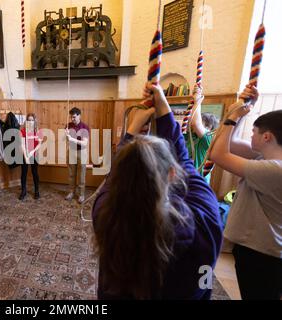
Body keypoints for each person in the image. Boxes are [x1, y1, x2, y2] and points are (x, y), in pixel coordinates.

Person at [92, 84, 222, 299]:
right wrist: (163, 107)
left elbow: (113, 175)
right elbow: (186, 162)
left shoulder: (105, 215)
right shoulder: (204, 219)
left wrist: (132, 129)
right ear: (172, 173)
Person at [209, 84, 282, 300]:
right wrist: (243, 108)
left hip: (262, 254)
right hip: (256, 249)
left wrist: (232, 117)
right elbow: (226, 145)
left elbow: (219, 155)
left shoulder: (274, 169)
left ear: (266, 137)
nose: (251, 135)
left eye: (254, 132)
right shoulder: (264, 159)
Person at [184, 85, 219, 183]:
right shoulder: (192, 136)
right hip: (186, 179)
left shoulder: (209, 138)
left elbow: (195, 123)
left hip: (198, 181)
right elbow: (192, 122)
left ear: (208, 128)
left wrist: (197, 101)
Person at [65, 107, 90, 204]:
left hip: (81, 152)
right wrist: (66, 135)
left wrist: (72, 139)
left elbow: (84, 143)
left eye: (74, 117)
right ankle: (71, 192)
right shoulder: (68, 125)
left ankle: (81, 194)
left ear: (79, 115)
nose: (72, 119)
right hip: (71, 151)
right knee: (71, 174)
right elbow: (68, 140)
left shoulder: (84, 127)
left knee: (81, 174)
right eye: (71, 117)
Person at [19, 113, 42, 200]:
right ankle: (23, 191)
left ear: (34, 121)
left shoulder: (38, 131)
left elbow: (39, 144)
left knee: (35, 173)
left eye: (32, 120)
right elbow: (22, 145)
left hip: (34, 154)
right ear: (26, 121)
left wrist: (32, 152)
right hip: (25, 154)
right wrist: (26, 157)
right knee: (23, 173)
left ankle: (37, 191)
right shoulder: (22, 131)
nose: (30, 122)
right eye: (29, 120)